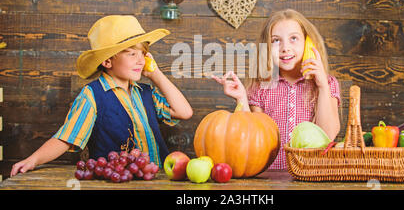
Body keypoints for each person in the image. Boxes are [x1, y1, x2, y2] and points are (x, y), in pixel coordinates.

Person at [11, 15, 193, 176]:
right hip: (114, 182)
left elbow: (184, 112)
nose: (141, 60)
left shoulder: (146, 92)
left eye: (143, 54)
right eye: (132, 54)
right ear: (107, 61)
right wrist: (33, 160)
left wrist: (156, 75)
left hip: (157, 181)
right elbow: (67, 137)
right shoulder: (92, 95)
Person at [212, 9, 341, 170]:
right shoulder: (260, 86)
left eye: (293, 38)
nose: (285, 48)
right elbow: (252, 137)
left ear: (308, 43)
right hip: (269, 178)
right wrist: (242, 98)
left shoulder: (327, 83)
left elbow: (328, 135)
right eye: (276, 41)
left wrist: (322, 86)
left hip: (311, 175)